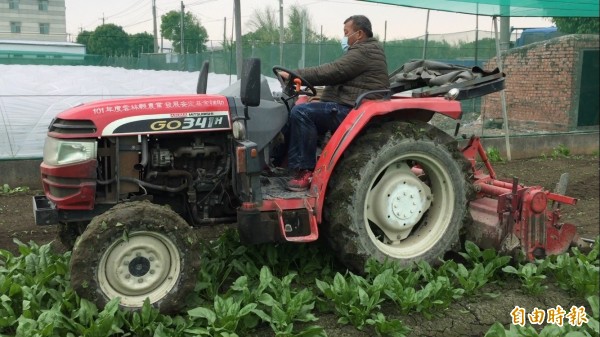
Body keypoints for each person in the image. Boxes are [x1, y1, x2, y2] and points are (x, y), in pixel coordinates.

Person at [278, 15, 389, 191]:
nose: (344, 38)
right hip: (348, 103)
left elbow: (334, 71)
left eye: (346, 33)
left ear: (359, 34)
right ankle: (281, 164)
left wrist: (295, 74)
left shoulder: (365, 51)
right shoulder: (362, 51)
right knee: (292, 109)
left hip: (353, 109)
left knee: (302, 113)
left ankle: (304, 171)